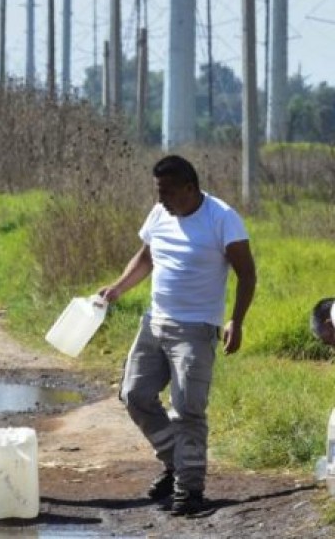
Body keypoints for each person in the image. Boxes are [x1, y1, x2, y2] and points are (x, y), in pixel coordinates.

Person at [99, 155, 256, 517]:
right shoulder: (160, 214)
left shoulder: (222, 218)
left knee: (188, 409)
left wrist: (237, 321)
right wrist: (118, 289)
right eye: (159, 192)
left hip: (196, 330)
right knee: (134, 395)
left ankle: (190, 489)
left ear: (190, 188)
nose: (162, 199)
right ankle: (176, 464)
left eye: (168, 192)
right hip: (155, 323)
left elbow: (247, 274)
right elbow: (145, 258)